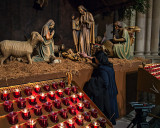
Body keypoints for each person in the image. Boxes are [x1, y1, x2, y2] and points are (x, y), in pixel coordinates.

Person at [81, 50, 119, 125]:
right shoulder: (108, 65)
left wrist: (92, 81)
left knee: (106, 112)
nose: (94, 59)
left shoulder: (102, 69)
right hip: (112, 91)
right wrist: (86, 56)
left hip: (106, 94)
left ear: (98, 59)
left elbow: (105, 82)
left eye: (95, 58)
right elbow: (95, 59)